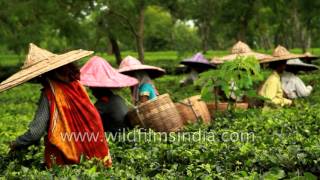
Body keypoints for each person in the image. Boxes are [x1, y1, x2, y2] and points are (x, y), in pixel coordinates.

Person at [0, 44, 112, 168]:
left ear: (43, 75)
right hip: (97, 157)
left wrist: (16, 143)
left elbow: (35, 133)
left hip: (67, 162)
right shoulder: (77, 86)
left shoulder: (51, 94)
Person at [80, 56, 138, 133]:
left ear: (99, 89)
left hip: (116, 136)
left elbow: (89, 121)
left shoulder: (103, 103)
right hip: (127, 132)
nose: (91, 91)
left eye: (92, 88)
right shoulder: (117, 97)